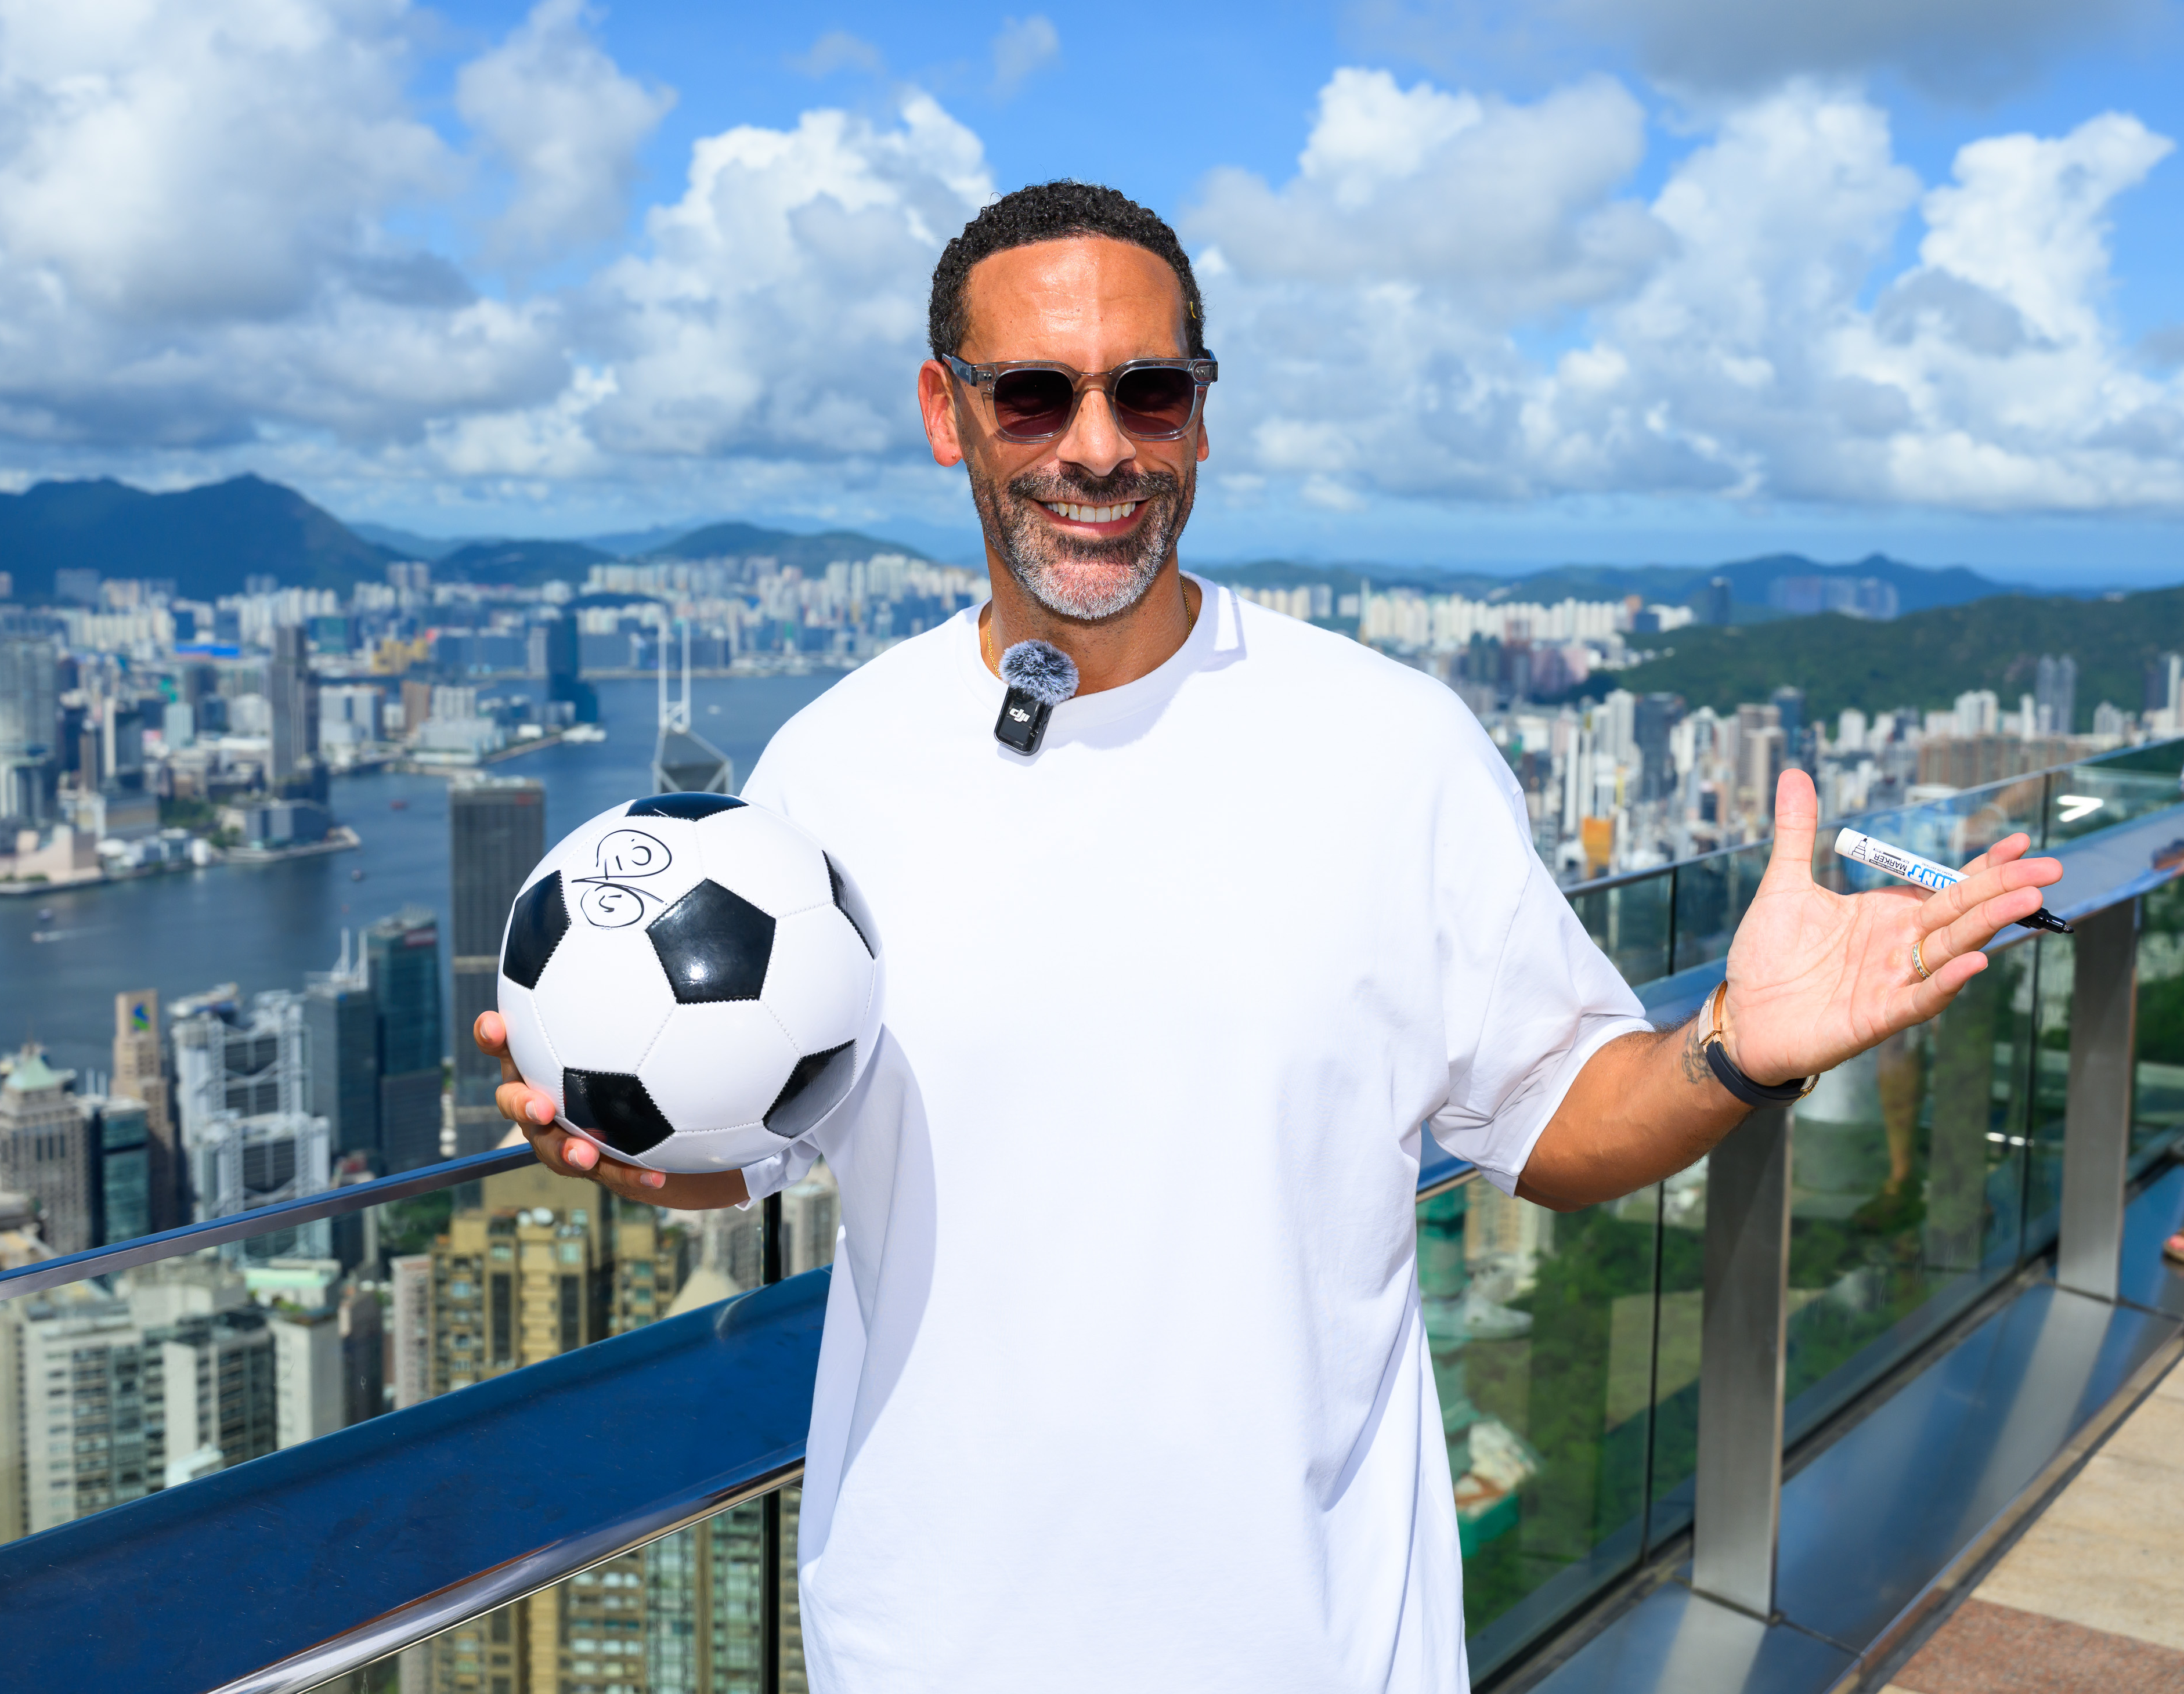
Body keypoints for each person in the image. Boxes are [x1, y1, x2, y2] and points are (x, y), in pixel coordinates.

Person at [474, 182, 2062, 1692]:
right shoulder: (831, 770)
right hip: (924, 1643)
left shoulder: (1389, 746)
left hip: (1313, 1649)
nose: (1099, 447)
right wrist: (622, 1146)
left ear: (1202, 412)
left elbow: (1555, 1121)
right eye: (1033, 396)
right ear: (946, 412)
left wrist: (1734, 1046)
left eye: (1149, 392)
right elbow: (757, 1142)